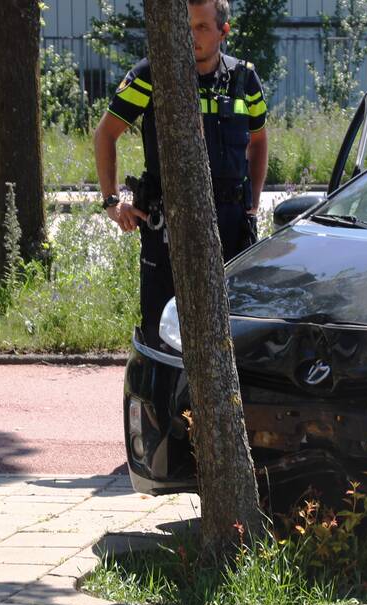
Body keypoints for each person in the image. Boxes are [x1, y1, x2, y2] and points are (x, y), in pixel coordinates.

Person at [93, 0, 269, 346]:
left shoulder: (244, 79)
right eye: (186, 26)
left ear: (223, 31)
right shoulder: (152, 74)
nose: (192, 36)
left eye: (202, 27)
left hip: (231, 225)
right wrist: (112, 201)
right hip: (169, 226)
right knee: (162, 332)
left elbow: (259, 140)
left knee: (233, 333)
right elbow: (105, 134)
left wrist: (253, 202)